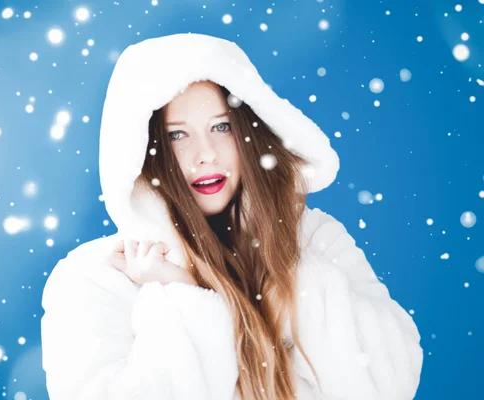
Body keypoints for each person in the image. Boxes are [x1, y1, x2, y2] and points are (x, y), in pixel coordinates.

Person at [40, 33, 423, 400]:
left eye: (221, 126)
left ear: (249, 133)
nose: (205, 153)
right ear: (144, 150)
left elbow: (388, 384)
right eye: (177, 135)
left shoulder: (316, 238)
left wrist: (281, 272)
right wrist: (183, 296)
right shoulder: (100, 276)